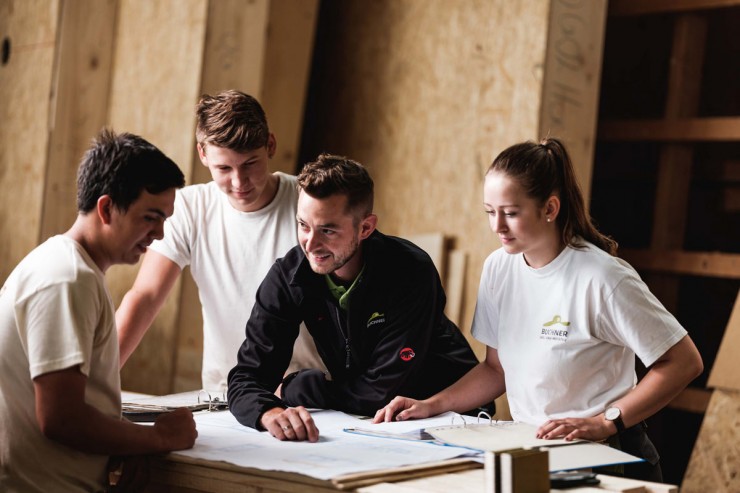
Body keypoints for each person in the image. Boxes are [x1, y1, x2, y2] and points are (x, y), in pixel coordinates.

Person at [373, 138, 703, 482]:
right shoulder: (499, 268)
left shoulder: (603, 278)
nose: (497, 226)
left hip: (611, 455)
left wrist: (605, 421)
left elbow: (683, 361)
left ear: (550, 208)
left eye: (511, 213)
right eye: (490, 212)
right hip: (537, 452)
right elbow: (495, 369)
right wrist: (431, 405)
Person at [227, 153, 479, 442]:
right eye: (303, 225)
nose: (310, 244)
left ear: (365, 228)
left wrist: (301, 387)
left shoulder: (410, 271)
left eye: (328, 230)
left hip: (454, 415)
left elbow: (382, 392)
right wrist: (268, 413)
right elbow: (245, 378)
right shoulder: (290, 276)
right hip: (368, 420)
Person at [0, 129, 198, 493]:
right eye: (150, 217)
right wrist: (158, 438)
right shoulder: (67, 279)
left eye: (165, 220)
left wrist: (127, 443)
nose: (159, 234)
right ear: (107, 208)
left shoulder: (69, 268)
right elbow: (61, 419)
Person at [116, 89, 323, 393]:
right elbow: (145, 297)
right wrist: (97, 380)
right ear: (203, 154)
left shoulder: (309, 203)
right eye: (224, 168)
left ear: (270, 145)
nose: (239, 183)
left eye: (250, 163)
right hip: (225, 396)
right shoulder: (189, 208)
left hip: (308, 395)